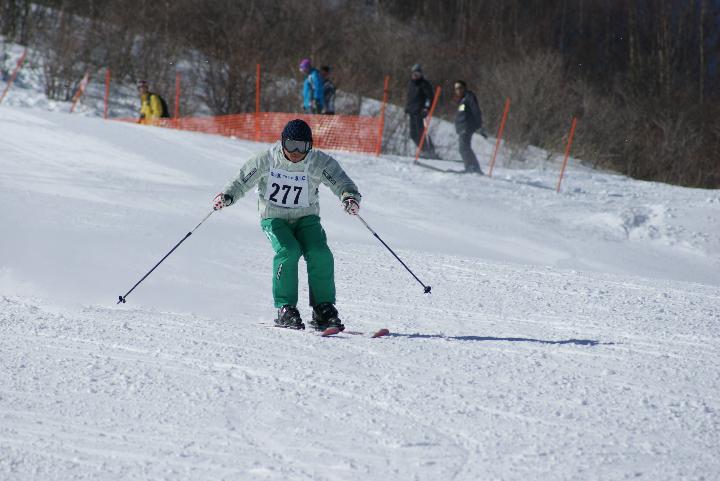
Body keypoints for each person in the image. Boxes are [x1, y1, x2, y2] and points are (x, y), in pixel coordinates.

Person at [211, 119, 361, 331]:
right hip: (274, 218)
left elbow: (340, 181)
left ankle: (323, 308)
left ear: (310, 146)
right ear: (282, 143)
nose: (296, 152)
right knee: (289, 251)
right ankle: (285, 307)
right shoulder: (266, 160)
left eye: (302, 147)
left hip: (306, 217)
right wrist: (227, 196)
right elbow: (242, 180)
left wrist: (349, 197)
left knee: (320, 252)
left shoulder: (318, 162)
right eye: (291, 145)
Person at [405, 64, 439, 159]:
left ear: (421, 74)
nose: (415, 76)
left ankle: (428, 151)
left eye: (418, 74)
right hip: (412, 111)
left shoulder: (424, 84)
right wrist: (407, 107)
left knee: (420, 133)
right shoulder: (411, 83)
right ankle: (425, 150)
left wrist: (426, 108)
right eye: (414, 74)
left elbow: (429, 98)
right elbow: (410, 96)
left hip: (419, 112)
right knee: (413, 134)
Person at [453, 80, 484, 174]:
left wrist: (479, 124)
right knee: (464, 148)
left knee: (463, 148)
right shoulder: (462, 100)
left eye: (460, 88)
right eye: (456, 89)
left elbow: (476, 110)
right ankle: (473, 168)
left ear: (464, 88)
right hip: (462, 127)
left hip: (467, 126)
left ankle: (471, 167)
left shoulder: (469, 96)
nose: (458, 90)